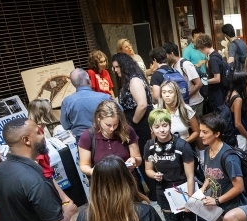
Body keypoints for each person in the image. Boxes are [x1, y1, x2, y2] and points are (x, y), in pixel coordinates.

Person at [142, 109, 199, 221]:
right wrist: (154, 175)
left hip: (183, 190)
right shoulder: (149, 146)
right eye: (157, 127)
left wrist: (190, 200)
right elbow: (148, 169)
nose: (161, 130)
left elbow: (190, 176)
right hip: (163, 192)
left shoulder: (182, 145)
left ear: (170, 125)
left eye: (164, 125)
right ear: (151, 128)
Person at [199, 113, 246, 221]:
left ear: (217, 133)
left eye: (205, 132)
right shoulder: (208, 151)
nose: (201, 135)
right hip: (215, 208)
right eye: (200, 131)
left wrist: (217, 200)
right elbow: (209, 174)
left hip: (230, 208)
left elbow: (239, 187)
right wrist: (203, 188)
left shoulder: (229, 158)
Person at [111, 52, 153, 190]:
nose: (115, 70)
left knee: (144, 156)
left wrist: (132, 124)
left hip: (140, 124)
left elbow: (142, 105)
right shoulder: (130, 80)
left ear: (124, 65)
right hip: (136, 122)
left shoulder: (134, 81)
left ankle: (153, 190)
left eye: (117, 67)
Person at [77, 100, 142, 177]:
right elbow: (84, 165)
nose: (112, 129)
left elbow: (138, 158)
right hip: (103, 182)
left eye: (115, 124)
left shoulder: (127, 131)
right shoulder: (88, 136)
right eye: (108, 125)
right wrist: (91, 171)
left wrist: (134, 161)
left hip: (127, 178)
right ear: (99, 118)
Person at [59, 69, 112, 141]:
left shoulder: (67, 102)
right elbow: (119, 113)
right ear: (88, 80)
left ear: (73, 84)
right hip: (105, 138)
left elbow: (65, 125)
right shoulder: (105, 97)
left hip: (82, 140)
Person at [164, 42, 205, 119]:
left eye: (166, 55)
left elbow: (199, 84)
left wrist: (186, 96)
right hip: (185, 104)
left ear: (171, 54)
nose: (165, 58)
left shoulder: (185, 64)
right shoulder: (173, 66)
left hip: (194, 103)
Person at [156, 80, 199, 148]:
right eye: (164, 92)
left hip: (184, 147)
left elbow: (196, 132)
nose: (167, 95)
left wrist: (183, 143)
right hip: (164, 149)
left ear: (176, 93)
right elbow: (153, 135)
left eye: (170, 92)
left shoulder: (186, 109)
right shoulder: (156, 111)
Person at [195, 33, 226, 114]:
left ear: (203, 47)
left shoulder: (213, 59)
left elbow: (217, 78)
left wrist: (204, 81)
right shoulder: (217, 54)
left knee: (218, 114)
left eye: (200, 50)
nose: (201, 52)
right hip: (220, 90)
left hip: (216, 92)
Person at [226, 70, 247, 149]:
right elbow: (238, 124)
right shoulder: (238, 99)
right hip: (240, 136)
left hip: (235, 134)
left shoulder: (230, 93)